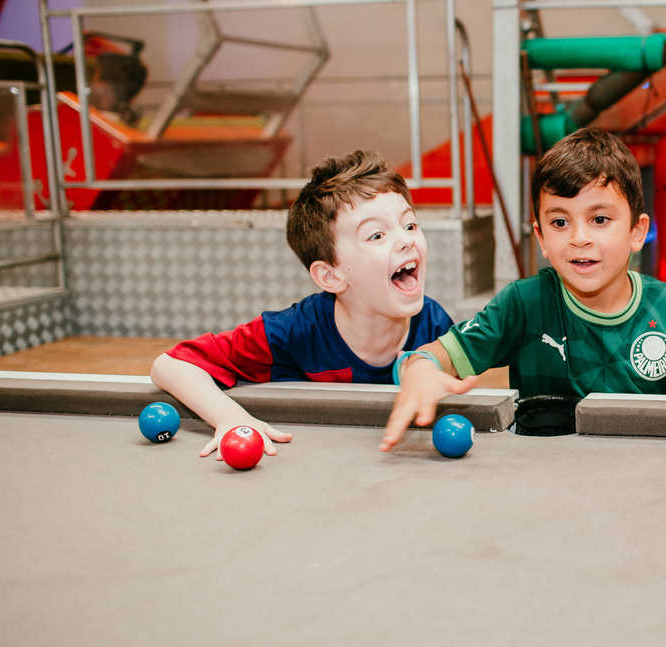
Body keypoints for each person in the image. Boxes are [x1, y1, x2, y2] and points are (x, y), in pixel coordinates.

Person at [378, 128, 666, 451]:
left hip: (650, 484)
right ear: (541, 239)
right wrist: (419, 369)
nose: (580, 237)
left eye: (600, 219)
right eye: (560, 222)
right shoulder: (522, 303)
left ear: (637, 231)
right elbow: (432, 358)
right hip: (543, 486)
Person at [151, 150, 452, 460]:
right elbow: (170, 365)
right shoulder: (295, 331)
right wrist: (229, 418)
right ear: (330, 276)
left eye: (410, 225)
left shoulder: (437, 327)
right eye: (376, 235)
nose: (406, 240)